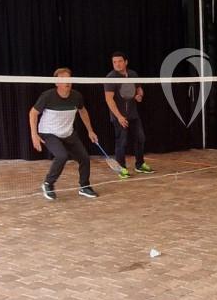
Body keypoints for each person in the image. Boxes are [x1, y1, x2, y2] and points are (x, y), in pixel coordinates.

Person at [29, 68, 99, 201]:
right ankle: (48, 184)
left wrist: (90, 130)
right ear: (57, 83)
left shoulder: (76, 96)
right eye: (63, 79)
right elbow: (33, 113)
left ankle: (84, 186)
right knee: (62, 156)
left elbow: (83, 111)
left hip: (68, 132)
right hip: (48, 132)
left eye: (69, 79)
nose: (67, 81)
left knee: (84, 158)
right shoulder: (47, 96)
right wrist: (34, 135)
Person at [104, 52, 152, 180]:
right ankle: (121, 168)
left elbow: (139, 89)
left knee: (140, 138)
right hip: (118, 116)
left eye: (119, 61)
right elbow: (109, 99)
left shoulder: (133, 74)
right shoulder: (110, 78)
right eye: (114, 62)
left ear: (126, 62)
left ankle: (140, 164)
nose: (117, 64)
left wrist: (139, 95)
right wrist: (119, 116)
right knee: (122, 142)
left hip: (133, 114)